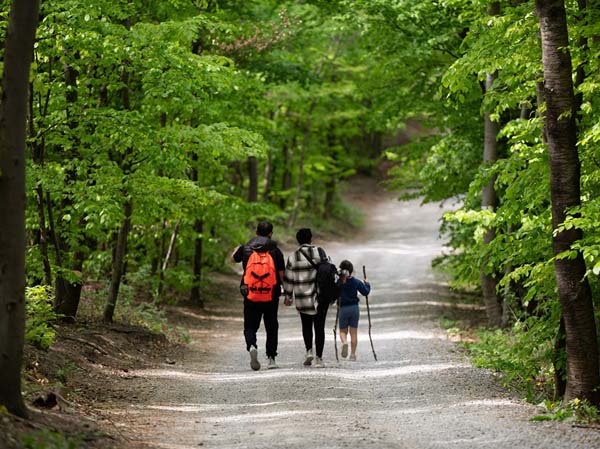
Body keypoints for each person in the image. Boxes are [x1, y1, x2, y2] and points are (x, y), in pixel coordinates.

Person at [231, 221, 285, 371]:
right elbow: (281, 274)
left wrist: (237, 250)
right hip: (271, 293)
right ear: (270, 234)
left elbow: (232, 259)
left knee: (249, 326)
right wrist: (286, 291)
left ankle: (252, 345)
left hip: (250, 292)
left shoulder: (246, 247)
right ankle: (272, 358)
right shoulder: (274, 249)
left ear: (256, 232)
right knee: (271, 325)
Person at [283, 228, 332, 368]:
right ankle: (319, 358)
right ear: (311, 238)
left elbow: (288, 279)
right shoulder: (319, 252)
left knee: (306, 325)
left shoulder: (292, 257)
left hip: (302, 297)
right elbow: (327, 272)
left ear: (298, 240)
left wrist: (288, 296)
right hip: (319, 297)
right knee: (319, 327)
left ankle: (309, 350)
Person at [337, 260, 371, 361]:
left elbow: (334, 293)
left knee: (343, 331)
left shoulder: (339, 282)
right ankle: (352, 355)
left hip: (343, 308)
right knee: (354, 333)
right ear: (351, 271)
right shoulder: (356, 281)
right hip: (354, 309)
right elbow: (365, 292)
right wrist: (367, 284)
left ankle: (344, 343)